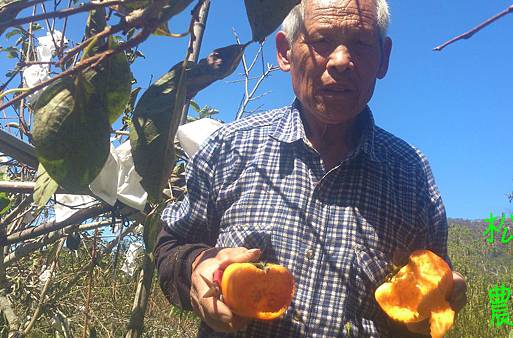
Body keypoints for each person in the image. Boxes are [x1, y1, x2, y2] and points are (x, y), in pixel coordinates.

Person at [154, 0, 467, 336]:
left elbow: (433, 282)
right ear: (285, 51)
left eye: (361, 43)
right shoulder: (230, 147)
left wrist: (442, 295)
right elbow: (171, 245)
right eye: (321, 40)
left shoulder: (411, 173)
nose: (342, 60)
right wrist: (198, 269)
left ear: (383, 58)